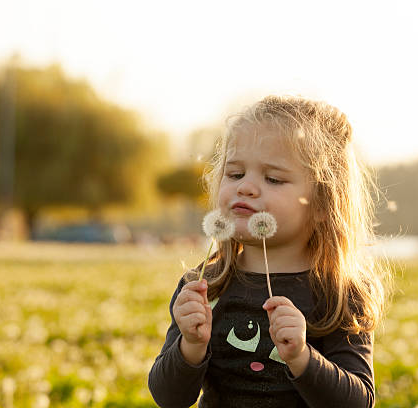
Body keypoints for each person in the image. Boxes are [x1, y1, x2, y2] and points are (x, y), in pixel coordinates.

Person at [148, 95, 392, 407]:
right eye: (235, 174)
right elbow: (169, 398)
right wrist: (190, 346)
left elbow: (358, 402)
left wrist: (301, 357)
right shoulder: (203, 285)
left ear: (322, 203)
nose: (245, 187)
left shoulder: (339, 294)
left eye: (273, 178)